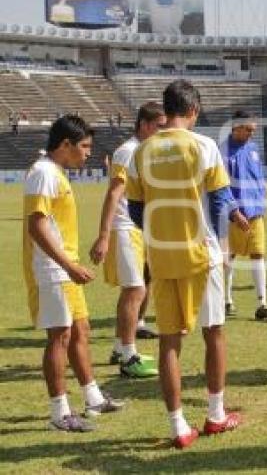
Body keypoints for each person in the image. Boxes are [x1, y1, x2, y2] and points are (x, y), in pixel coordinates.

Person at [125, 80, 246, 449]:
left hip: (161, 257)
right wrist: (219, 243)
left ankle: (178, 426)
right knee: (214, 333)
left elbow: (135, 209)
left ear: (166, 110)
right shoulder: (204, 146)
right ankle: (215, 415)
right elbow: (220, 200)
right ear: (193, 110)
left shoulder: (141, 152)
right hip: (201, 254)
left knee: (169, 344)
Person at [23, 115, 124, 433]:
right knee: (60, 336)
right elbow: (37, 226)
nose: (88, 153)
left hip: (64, 266)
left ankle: (92, 397)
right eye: (84, 146)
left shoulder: (54, 172)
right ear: (65, 145)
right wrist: (68, 265)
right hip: (51, 268)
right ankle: (59, 412)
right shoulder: (42, 173)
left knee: (81, 330)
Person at [89, 102, 165, 379]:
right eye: (159, 126)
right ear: (144, 124)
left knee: (137, 288)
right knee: (134, 290)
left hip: (139, 229)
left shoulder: (145, 151)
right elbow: (113, 193)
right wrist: (104, 235)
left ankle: (120, 347)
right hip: (124, 227)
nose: (163, 132)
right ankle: (129, 355)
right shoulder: (127, 151)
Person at [221, 110, 267, 321]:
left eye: (254, 130)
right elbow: (221, 185)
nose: (252, 134)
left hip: (256, 213)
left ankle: (262, 303)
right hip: (232, 215)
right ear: (236, 127)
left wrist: (260, 204)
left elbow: (257, 179)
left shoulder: (253, 149)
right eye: (249, 130)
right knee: (229, 257)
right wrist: (233, 211)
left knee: (258, 254)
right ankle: (227, 299)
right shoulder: (223, 152)